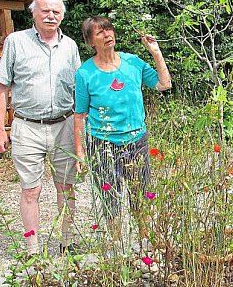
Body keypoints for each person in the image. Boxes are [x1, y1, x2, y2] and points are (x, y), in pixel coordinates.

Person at [0, 0, 81, 256]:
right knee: (31, 189)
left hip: (64, 124)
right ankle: (32, 248)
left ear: (62, 15)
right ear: (33, 13)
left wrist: (83, 132)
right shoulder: (16, 42)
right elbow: (1, 87)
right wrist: (0, 129)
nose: (50, 16)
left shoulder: (71, 46)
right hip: (27, 126)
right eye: (45, 11)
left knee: (66, 186)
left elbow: (81, 89)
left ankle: (67, 241)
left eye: (56, 11)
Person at [73, 16, 171, 240]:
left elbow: (164, 84)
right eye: (100, 32)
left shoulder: (133, 62)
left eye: (108, 30)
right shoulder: (85, 73)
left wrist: (156, 52)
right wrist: (80, 152)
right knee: (111, 199)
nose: (107, 35)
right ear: (90, 42)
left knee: (141, 195)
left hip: (136, 140)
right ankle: (118, 249)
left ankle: (145, 243)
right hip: (102, 143)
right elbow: (79, 115)